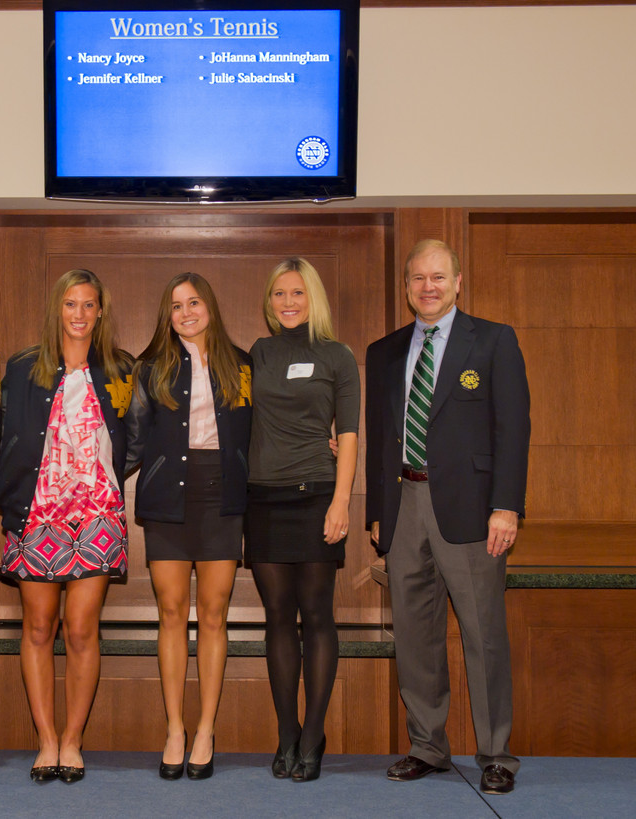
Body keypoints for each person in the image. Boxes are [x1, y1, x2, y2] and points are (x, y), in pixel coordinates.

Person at [365, 239, 529, 795]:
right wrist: (378, 513)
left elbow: (513, 429)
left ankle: (497, 755)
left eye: (438, 277)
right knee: (415, 636)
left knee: (484, 636)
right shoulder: (385, 351)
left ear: (458, 282)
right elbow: (381, 438)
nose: (428, 287)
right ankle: (428, 747)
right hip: (404, 505)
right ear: (407, 286)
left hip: (474, 511)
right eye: (418, 278)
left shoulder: (494, 340)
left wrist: (506, 506)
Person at [0, 269, 133, 784]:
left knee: (80, 629)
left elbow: (137, 434)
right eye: (71, 304)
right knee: (37, 627)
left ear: (101, 311)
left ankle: (73, 740)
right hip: (37, 512)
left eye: (89, 305)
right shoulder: (23, 367)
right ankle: (46, 740)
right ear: (58, 308)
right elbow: (4, 435)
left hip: (98, 514)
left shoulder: (120, 368)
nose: (79, 314)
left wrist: (104, 476)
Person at [125, 273, 252, 781]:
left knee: (215, 615)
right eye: (176, 306)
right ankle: (175, 728)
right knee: (172, 612)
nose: (185, 313)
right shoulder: (149, 367)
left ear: (210, 306)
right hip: (166, 498)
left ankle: (205, 730)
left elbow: (265, 429)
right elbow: (131, 438)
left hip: (222, 496)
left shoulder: (242, 364)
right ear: (168, 316)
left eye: (193, 302)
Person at [245, 258, 359, 783]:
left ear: (314, 297)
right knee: (277, 618)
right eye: (278, 294)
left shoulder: (338, 355)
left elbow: (349, 434)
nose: (287, 302)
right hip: (263, 499)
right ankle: (286, 732)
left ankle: (313, 734)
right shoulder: (259, 353)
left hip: (316, 496)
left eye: (297, 293)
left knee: (316, 616)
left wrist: (342, 502)